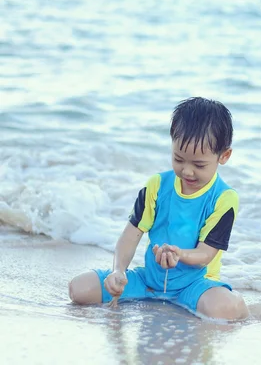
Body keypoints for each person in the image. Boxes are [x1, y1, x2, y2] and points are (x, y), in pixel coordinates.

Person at [69, 97, 249, 321]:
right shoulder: (156, 186)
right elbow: (130, 235)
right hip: (148, 283)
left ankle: (246, 307)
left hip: (195, 286)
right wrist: (118, 272)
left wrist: (179, 254)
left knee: (222, 308)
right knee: (79, 289)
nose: (187, 172)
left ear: (224, 156)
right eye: (178, 159)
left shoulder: (224, 198)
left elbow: (205, 254)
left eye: (199, 165)